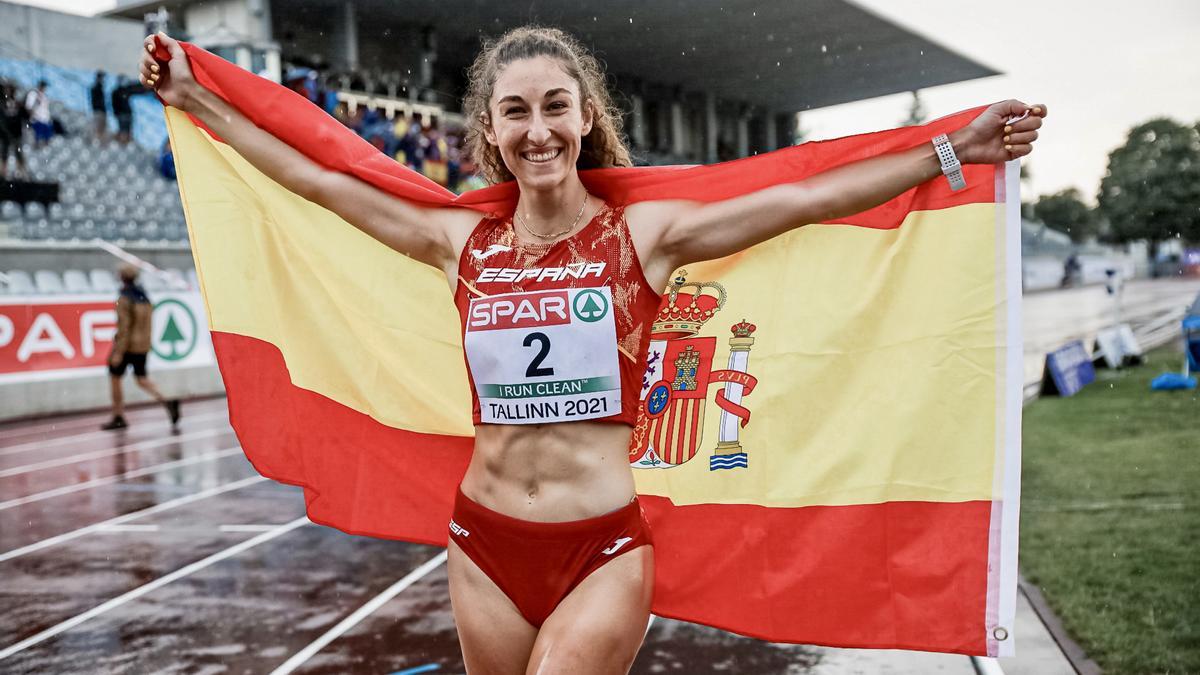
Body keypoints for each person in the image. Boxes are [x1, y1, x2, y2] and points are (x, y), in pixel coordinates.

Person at [141, 27, 1044, 673]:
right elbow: (315, 178)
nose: (538, 129)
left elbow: (809, 200)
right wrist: (194, 98)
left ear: (584, 118)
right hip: (481, 539)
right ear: (489, 131)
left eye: (556, 108)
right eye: (516, 112)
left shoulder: (642, 236)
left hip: (604, 547)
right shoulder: (461, 245)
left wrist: (946, 149)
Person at [103, 263, 181, 430]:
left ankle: (118, 415)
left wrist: (118, 352)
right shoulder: (144, 297)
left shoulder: (124, 298)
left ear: (122, 278)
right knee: (142, 379)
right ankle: (166, 400)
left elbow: (124, 327)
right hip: (142, 345)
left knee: (115, 377)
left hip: (128, 346)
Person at [0, 82, 27, 179]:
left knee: (18, 153)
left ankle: (21, 173)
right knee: (4, 153)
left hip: (16, 133)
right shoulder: (2, 104)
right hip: (4, 134)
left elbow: (24, 115)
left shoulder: (17, 104)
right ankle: (3, 173)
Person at [24, 80, 52, 148]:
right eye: (43, 86)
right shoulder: (33, 94)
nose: (44, 88)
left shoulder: (44, 96)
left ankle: (44, 147)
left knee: (47, 136)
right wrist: (32, 115)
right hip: (36, 119)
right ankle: (36, 146)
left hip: (45, 119)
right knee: (37, 136)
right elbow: (28, 106)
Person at [91, 70, 108, 141]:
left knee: (97, 96)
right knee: (99, 96)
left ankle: (98, 81)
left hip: (97, 112)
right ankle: (99, 81)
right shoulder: (103, 129)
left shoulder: (95, 128)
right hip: (101, 112)